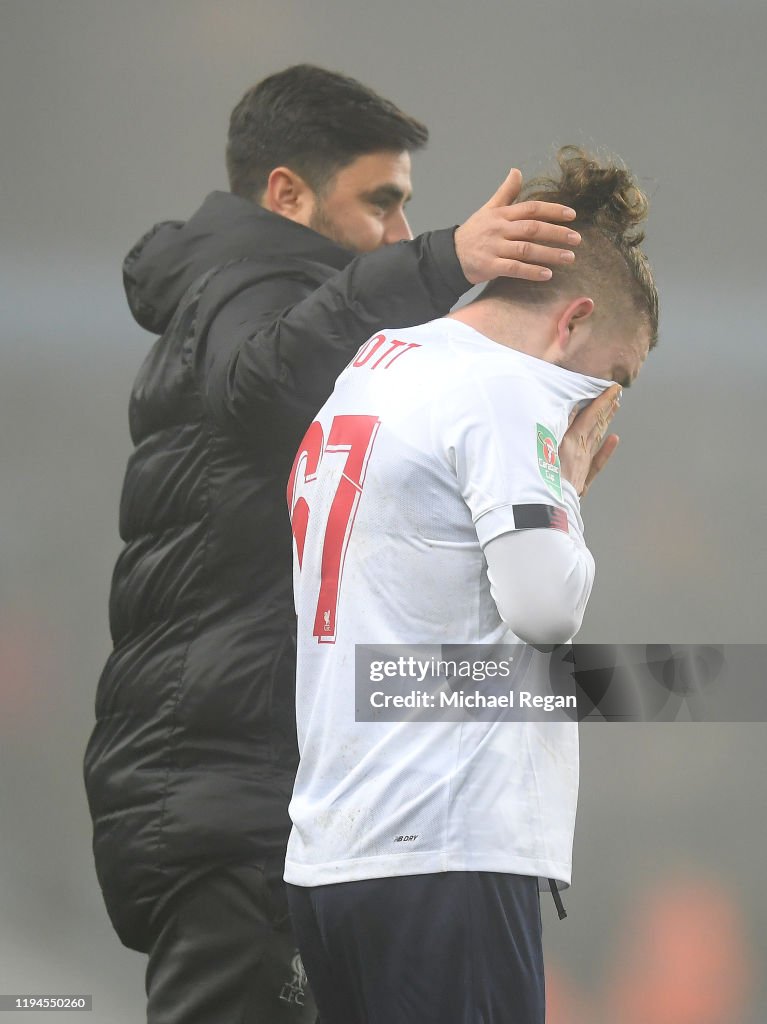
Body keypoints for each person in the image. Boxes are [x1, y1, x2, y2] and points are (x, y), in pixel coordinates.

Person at [82, 64, 582, 1023]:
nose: (398, 230)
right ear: (286, 194)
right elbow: (259, 378)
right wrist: (442, 261)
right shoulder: (244, 282)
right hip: (230, 795)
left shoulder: (307, 325)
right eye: (382, 204)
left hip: (276, 792)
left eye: (409, 212)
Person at [284, 145, 659, 1024]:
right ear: (570, 325)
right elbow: (544, 606)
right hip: (441, 850)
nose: (602, 408)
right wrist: (565, 484)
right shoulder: (507, 387)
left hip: (333, 857)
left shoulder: (374, 366)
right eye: (615, 380)